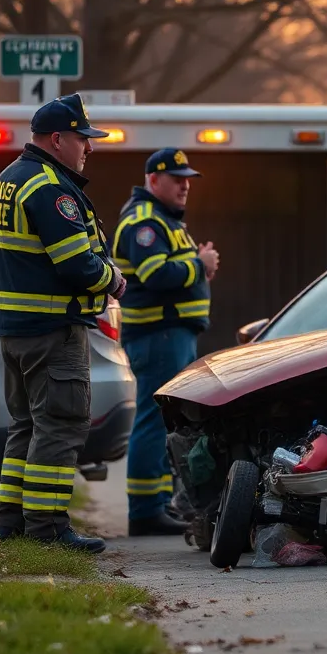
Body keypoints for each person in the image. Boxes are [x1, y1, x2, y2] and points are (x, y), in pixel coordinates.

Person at [0, 93, 122, 553]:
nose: (89, 148)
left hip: (15, 331)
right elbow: (77, 265)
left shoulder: (8, 179)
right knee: (60, 426)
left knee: (25, 426)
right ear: (58, 139)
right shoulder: (50, 188)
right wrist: (114, 280)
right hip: (52, 331)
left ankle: (11, 523)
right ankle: (47, 529)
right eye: (83, 139)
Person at [111, 148, 219, 536]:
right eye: (177, 179)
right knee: (153, 421)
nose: (185, 186)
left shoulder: (162, 219)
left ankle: (158, 506)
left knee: (164, 423)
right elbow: (155, 274)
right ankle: (144, 511)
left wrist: (196, 265)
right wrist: (200, 265)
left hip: (170, 335)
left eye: (187, 179)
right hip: (159, 335)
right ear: (153, 180)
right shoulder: (144, 221)